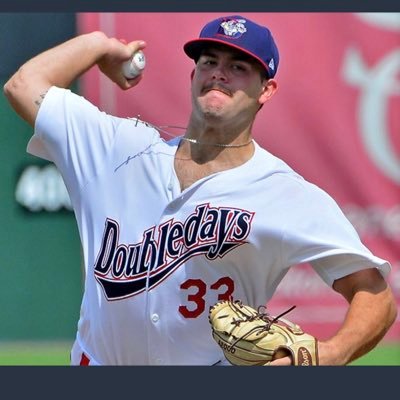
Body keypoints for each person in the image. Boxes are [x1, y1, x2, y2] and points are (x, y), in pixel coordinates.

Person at [4, 15, 397, 366]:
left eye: (239, 67)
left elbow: (375, 295)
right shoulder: (117, 149)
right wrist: (98, 45)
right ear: (193, 77)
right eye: (209, 62)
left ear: (267, 90)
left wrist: (327, 356)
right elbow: (24, 86)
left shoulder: (285, 193)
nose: (219, 73)